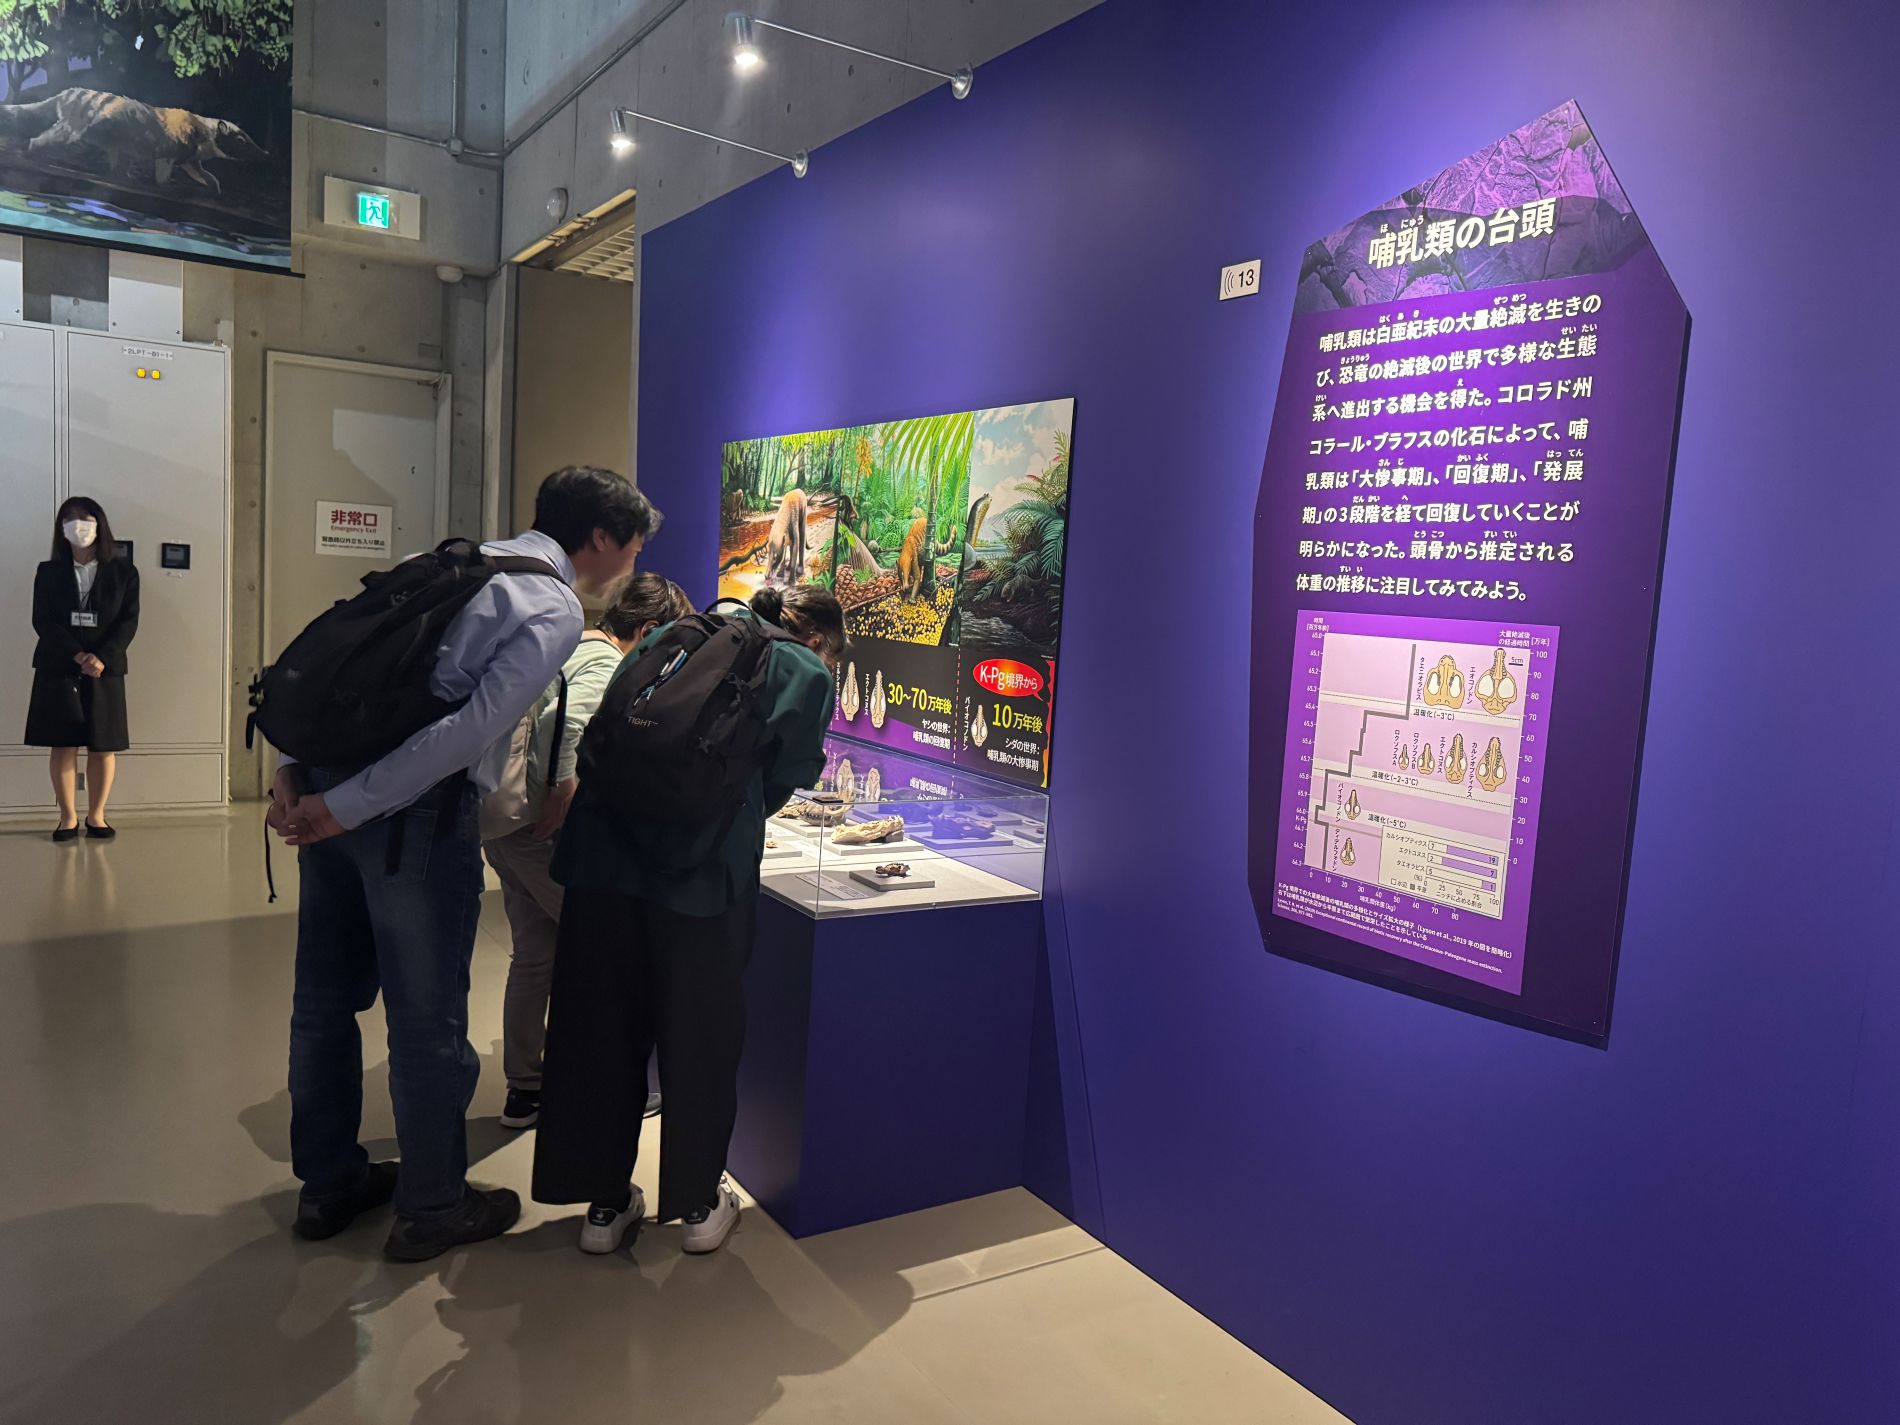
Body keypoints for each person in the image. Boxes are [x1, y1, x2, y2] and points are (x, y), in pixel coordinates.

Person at [271, 466, 660, 1263]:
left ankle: (329, 1183)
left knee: (322, 1003)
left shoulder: (457, 560)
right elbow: (464, 734)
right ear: (598, 539)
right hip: (405, 815)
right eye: (632, 542)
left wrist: (299, 775)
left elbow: (338, 655)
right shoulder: (549, 605)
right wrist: (350, 806)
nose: (633, 557)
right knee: (427, 1017)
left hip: (327, 791)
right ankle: (433, 1202)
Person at [532, 584, 843, 1256]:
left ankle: (603, 1208)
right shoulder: (806, 672)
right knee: (700, 1039)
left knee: (601, 1030)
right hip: (701, 879)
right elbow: (783, 778)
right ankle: (699, 1205)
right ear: (819, 639)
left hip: (603, 864)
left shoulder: (667, 635)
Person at [484, 573, 694, 1133]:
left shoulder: (570, 644)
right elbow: (564, 723)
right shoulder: (605, 663)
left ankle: (525, 1089)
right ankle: (607, 1086)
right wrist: (564, 788)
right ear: (646, 630)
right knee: (613, 954)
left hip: (505, 826)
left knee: (534, 956)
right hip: (542, 834)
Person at [26, 498, 139, 842]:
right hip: (59, 665)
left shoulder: (124, 572)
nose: (78, 526)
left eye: (85, 519)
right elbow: (42, 620)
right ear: (61, 529)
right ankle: (67, 818)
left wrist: (100, 657)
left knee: (102, 745)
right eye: (69, 520)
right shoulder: (48, 571)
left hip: (105, 668)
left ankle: (97, 816)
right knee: (62, 744)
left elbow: (128, 621)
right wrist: (77, 655)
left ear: (99, 524)